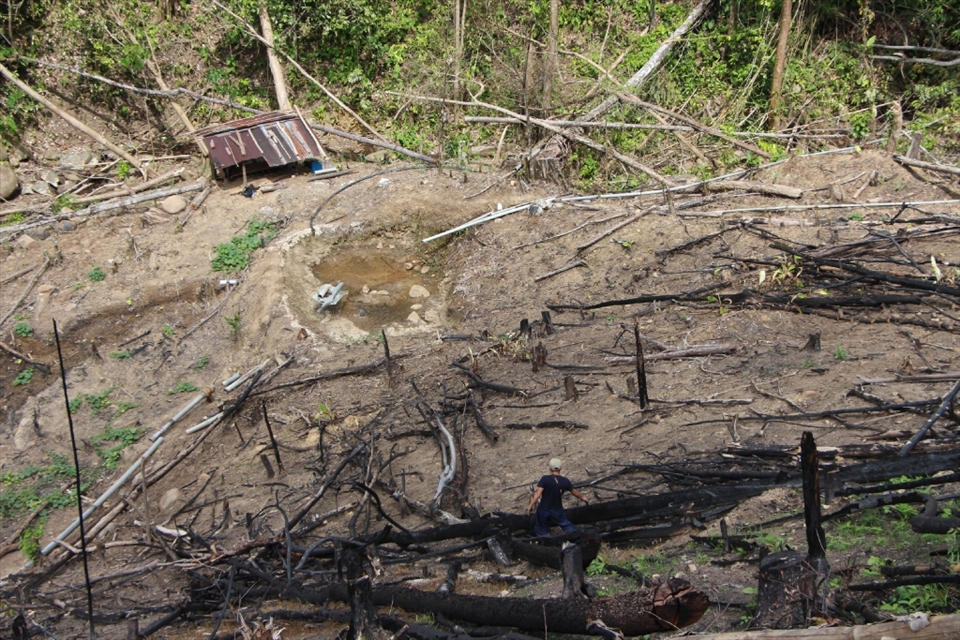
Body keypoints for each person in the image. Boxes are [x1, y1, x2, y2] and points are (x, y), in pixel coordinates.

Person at [526, 458, 589, 537]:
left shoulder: (545, 479)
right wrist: (582, 497)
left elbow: (537, 495)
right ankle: (577, 536)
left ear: (549, 468)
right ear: (561, 468)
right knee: (566, 525)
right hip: (557, 509)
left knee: (541, 531)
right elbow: (574, 492)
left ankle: (546, 544)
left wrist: (530, 506)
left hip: (544, 509)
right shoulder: (565, 481)